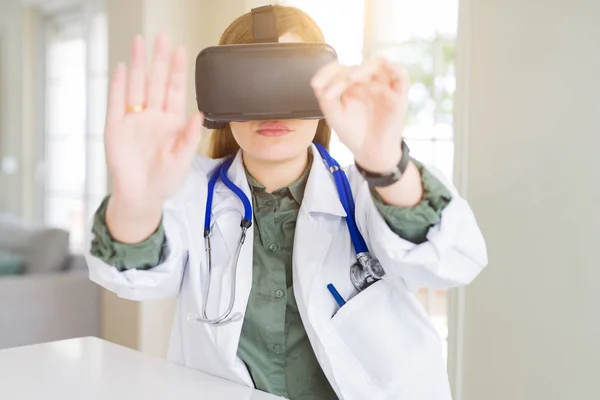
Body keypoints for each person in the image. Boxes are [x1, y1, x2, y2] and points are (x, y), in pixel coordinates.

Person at [85, 5, 487, 400]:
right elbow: (133, 276)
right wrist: (136, 202)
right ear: (221, 97)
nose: (272, 106)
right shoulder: (190, 193)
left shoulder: (367, 194)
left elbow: (453, 261)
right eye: (250, 81)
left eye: (290, 80)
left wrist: (386, 166)